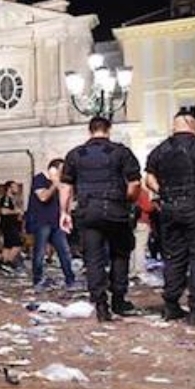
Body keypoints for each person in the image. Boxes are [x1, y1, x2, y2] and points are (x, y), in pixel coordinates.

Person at [60, 116, 142, 322]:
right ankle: (119, 299)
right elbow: (135, 184)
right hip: (116, 209)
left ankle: (100, 304)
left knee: (93, 259)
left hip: (87, 211)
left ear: (89, 131)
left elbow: (66, 186)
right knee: (120, 254)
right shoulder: (121, 152)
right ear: (109, 130)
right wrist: (127, 200)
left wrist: (64, 212)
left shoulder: (75, 155)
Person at [144, 107, 195, 322]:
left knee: (173, 257)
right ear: (192, 124)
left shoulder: (160, 149)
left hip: (169, 209)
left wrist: (163, 192)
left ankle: (171, 305)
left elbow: (148, 179)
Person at [27, 159, 76, 290]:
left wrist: (67, 215)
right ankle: (38, 281)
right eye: (61, 170)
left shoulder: (60, 181)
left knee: (65, 251)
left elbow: (65, 199)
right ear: (53, 169)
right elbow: (43, 197)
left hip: (55, 222)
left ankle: (70, 280)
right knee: (40, 253)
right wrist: (55, 184)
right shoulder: (39, 178)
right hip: (41, 222)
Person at [0, 181, 24, 272]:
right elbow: (3, 211)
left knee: (8, 246)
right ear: (9, 188)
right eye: (15, 187)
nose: (17, 188)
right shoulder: (6, 198)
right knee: (17, 244)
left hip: (11, 225)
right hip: (8, 225)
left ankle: (3, 263)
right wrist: (16, 212)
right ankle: (8, 262)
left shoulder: (12, 199)